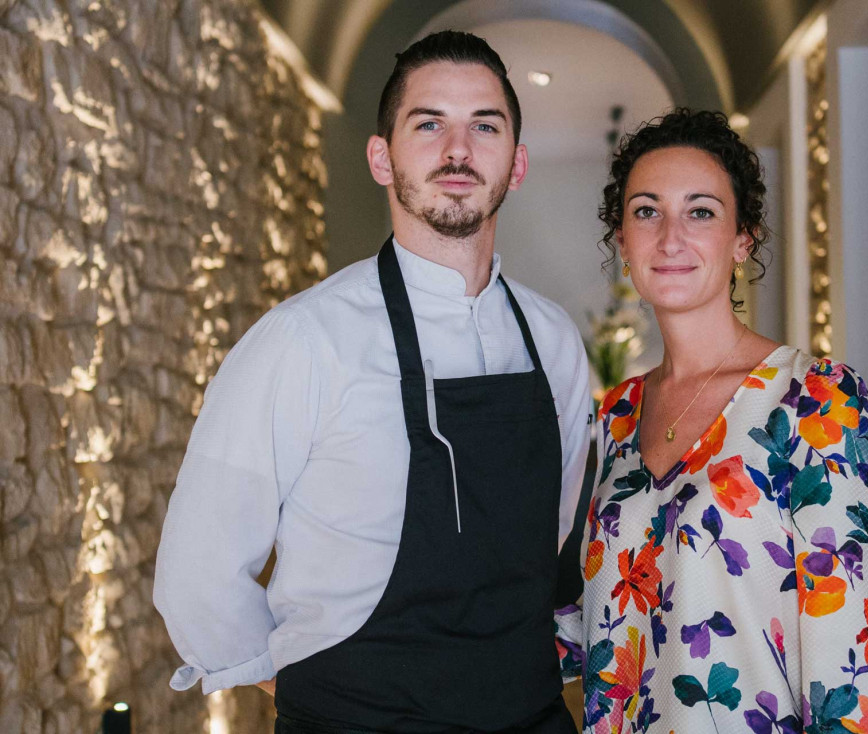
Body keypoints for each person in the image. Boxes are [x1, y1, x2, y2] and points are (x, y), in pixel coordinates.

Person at [154, 31, 590, 733]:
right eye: (429, 124)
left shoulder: (554, 341)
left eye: (486, 125)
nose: (458, 149)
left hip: (527, 715)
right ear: (382, 158)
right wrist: (313, 693)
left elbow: (555, 531)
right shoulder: (303, 339)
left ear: (517, 162)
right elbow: (197, 570)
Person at [555, 109, 868, 733]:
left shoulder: (816, 401)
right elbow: (591, 620)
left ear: (743, 239)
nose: (670, 237)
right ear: (622, 241)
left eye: (701, 211)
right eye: (646, 211)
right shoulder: (615, 416)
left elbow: (849, 668)